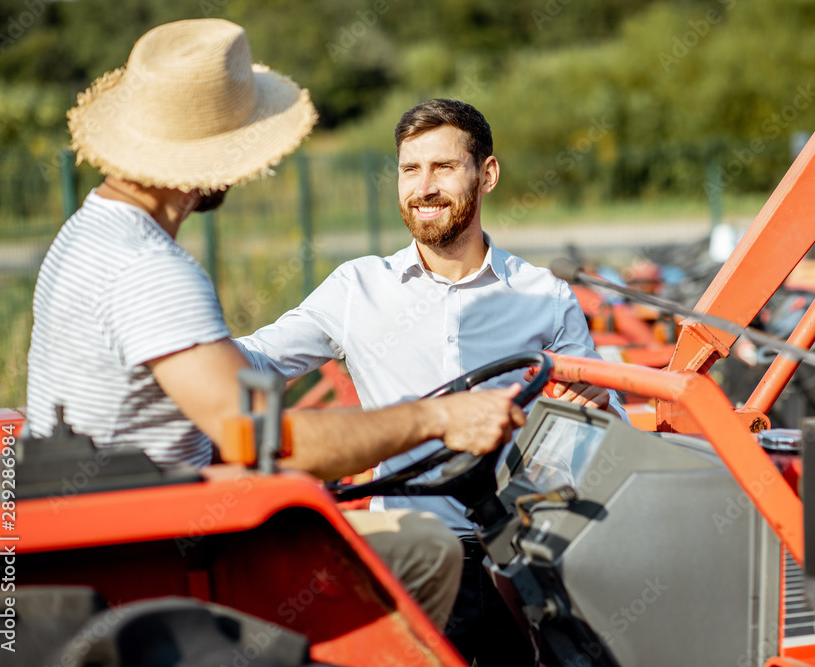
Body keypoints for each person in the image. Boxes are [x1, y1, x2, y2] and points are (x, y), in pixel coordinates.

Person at [24, 21, 527, 630]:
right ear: (215, 160)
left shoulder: (86, 232)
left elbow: (226, 389)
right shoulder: (152, 270)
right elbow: (265, 441)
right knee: (429, 549)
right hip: (166, 554)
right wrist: (439, 417)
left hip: (116, 523)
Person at [236, 98, 624, 665]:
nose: (424, 187)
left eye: (443, 167)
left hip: (526, 549)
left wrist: (597, 404)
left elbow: (600, 430)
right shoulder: (358, 288)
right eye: (409, 170)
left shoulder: (544, 295)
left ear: (486, 174)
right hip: (417, 554)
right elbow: (253, 362)